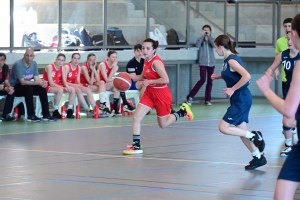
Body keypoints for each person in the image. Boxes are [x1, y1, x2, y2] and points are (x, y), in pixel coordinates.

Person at [122, 38, 194, 155]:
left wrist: (149, 82)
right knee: (136, 118)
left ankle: (182, 112)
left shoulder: (156, 62)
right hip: (149, 94)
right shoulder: (145, 60)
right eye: (143, 48)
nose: (145, 51)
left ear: (154, 50)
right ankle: (136, 146)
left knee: (163, 125)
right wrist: (131, 77)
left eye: (148, 48)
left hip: (161, 95)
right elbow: (143, 75)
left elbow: (166, 79)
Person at [256, 13, 300, 200]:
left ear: (295, 34)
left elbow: (288, 110)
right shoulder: (284, 57)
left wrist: (265, 90)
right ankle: (289, 144)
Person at [211, 35, 266, 170]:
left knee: (223, 128)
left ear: (220, 47)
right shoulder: (227, 60)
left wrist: (233, 89)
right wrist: (219, 77)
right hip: (239, 99)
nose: (215, 51)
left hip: (241, 99)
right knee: (241, 133)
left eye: (215, 48)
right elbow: (233, 75)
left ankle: (255, 136)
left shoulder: (231, 60)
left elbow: (247, 76)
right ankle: (258, 157)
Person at [265, 31, 299, 156]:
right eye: (287, 39)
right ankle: (289, 145)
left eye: (291, 39)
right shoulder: (282, 55)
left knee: (290, 120)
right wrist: (268, 75)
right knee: (286, 120)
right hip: (289, 93)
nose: (289, 42)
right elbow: (271, 67)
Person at [9, 48, 57, 122]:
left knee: (41, 89)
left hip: (27, 86)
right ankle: (31, 115)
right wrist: (37, 82)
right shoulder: (18, 64)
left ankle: (46, 114)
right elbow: (22, 82)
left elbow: (37, 79)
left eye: (31, 56)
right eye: (27, 55)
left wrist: (42, 83)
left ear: (33, 56)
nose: (29, 58)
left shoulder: (34, 64)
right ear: (24, 55)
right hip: (15, 87)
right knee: (29, 88)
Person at [186, 25, 215, 106]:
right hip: (203, 63)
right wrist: (202, 37)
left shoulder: (212, 39)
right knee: (202, 79)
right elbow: (197, 46)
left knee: (210, 81)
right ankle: (190, 97)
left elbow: (214, 46)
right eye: (205, 30)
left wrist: (208, 38)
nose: (206, 32)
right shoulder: (199, 39)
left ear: (210, 32)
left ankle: (207, 100)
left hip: (211, 63)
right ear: (202, 31)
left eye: (208, 31)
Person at [62, 53, 97, 118]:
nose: (76, 60)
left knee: (88, 90)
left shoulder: (78, 67)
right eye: (74, 58)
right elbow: (64, 82)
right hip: (66, 85)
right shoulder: (67, 67)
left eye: (78, 59)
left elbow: (77, 81)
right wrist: (76, 85)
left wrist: (78, 85)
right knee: (78, 90)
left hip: (74, 85)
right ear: (71, 59)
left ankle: (95, 109)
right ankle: (88, 110)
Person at [43, 53, 75, 119]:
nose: (60, 62)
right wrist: (63, 87)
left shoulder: (62, 67)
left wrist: (67, 86)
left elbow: (64, 81)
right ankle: (55, 111)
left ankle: (69, 111)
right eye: (59, 60)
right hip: (48, 86)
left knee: (72, 89)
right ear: (56, 60)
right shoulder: (50, 67)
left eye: (62, 60)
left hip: (58, 86)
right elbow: (51, 83)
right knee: (60, 90)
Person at [97, 50, 121, 115]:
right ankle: (103, 105)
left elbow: (109, 77)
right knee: (117, 81)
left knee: (118, 88)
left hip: (107, 84)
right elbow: (106, 79)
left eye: (116, 57)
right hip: (100, 83)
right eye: (113, 57)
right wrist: (115, 79)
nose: (115, 59)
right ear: (108, 57)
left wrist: (114, 68)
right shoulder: (103, 64)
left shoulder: (116, 67)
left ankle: (115, 109)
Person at [274, 18, 293, 93]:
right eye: (285, 26)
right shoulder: (279, 41)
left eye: (289, 26)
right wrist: (276, 69)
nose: (287, 28)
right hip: (285, 77)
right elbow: (277, 56)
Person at [0, 53, 15, 121]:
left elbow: (6, 81)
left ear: (5, 60)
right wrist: (4, 88)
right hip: (1, 87)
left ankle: (6, 115)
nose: (0, 62)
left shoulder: (6, 67)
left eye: (2, 60)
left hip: (2, 87)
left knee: (11, 92)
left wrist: (9, 87)